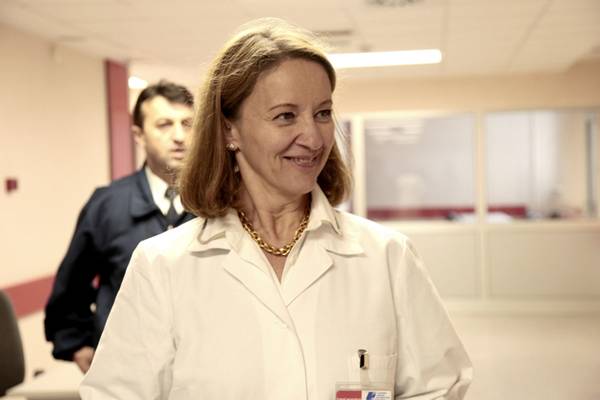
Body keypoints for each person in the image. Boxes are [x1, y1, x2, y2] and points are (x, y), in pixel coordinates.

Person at [80, 19, 472, 399]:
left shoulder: (387, 256)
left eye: (322, 113)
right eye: (286, 116)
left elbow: (438, 388)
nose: (314, 137)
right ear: (229, 129)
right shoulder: (162, 266)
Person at [44, 80, 196, 373]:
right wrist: (76, 343)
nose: (179, 136)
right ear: (138, 135)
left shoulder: (220, 203)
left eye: (187, 124)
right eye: (164, 124)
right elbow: (71, 285)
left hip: (201, 368)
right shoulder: (107, 206)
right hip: (127, 368)